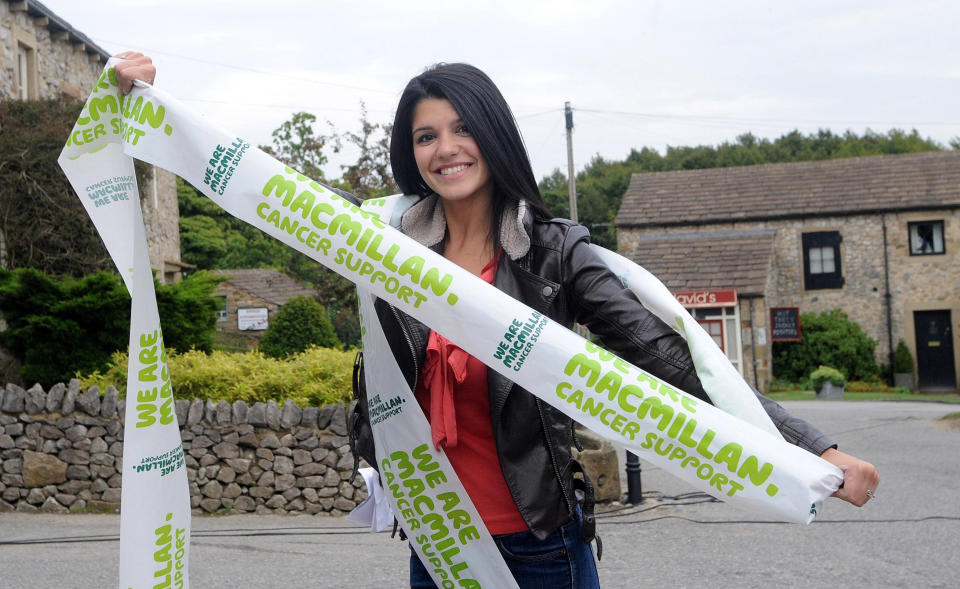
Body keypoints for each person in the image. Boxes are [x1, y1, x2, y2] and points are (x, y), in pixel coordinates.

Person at [114, 52, 879, 589]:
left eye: (460, 127)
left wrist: (811, 446)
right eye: (425, 136)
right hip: (439, 544)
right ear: (410, 154)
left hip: (541, 546)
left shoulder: (552, 252)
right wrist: (144, 104)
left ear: (493, 132)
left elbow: (667, 359)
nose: (445, 148)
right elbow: (261, 183)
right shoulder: (382, 245)